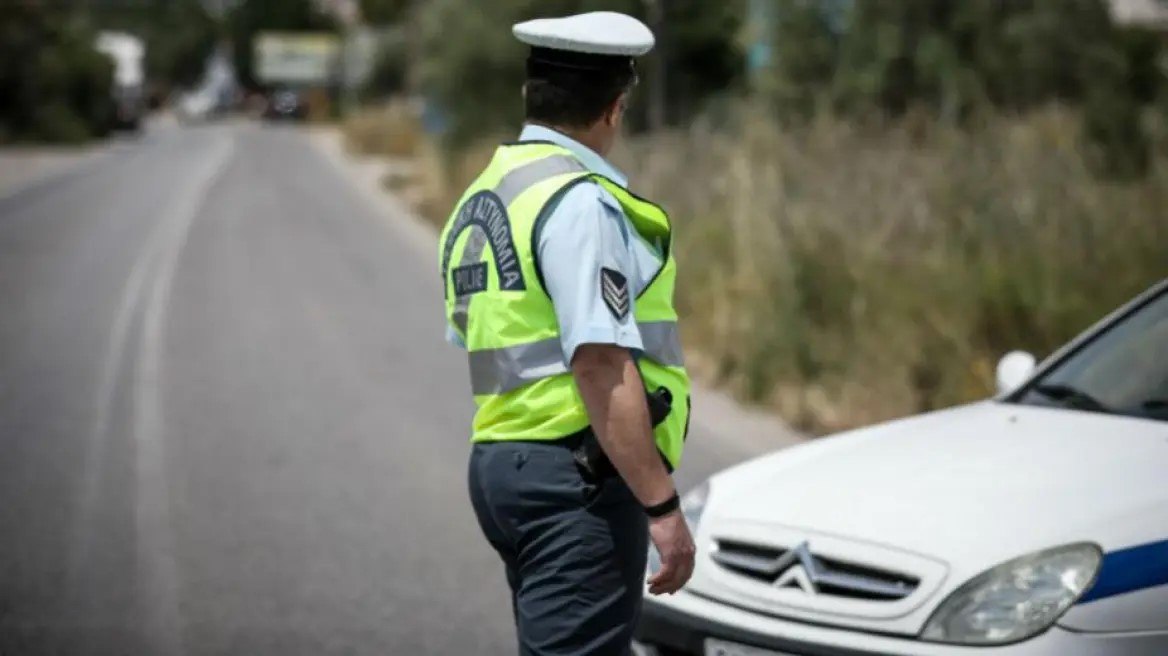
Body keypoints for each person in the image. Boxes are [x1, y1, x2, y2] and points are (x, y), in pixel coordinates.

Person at [438, 11, 695, 655]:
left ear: (532, 95)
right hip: (572, 478)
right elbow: (601, 366)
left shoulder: (485, 195)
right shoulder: (580, 202)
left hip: (501, 464)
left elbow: (483, 342)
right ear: (613, 109)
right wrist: (662, 510)